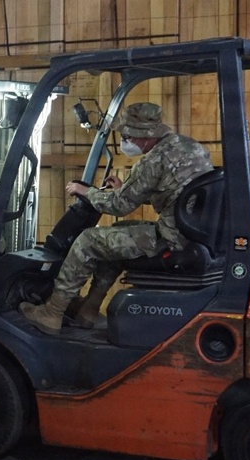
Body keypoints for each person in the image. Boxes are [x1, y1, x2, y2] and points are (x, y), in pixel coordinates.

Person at [19, 102, 213, 335]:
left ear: (141, 135)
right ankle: (89, 310)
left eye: (127, 136)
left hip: (171, 241)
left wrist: (86, 191)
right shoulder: (189, 147)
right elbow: (174, 194)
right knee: (120, 233)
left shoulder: (153, 161)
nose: (125, 140)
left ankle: (52, 312)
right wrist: (124, 188)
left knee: (88, 240)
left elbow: (118, 205)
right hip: (190, 234)